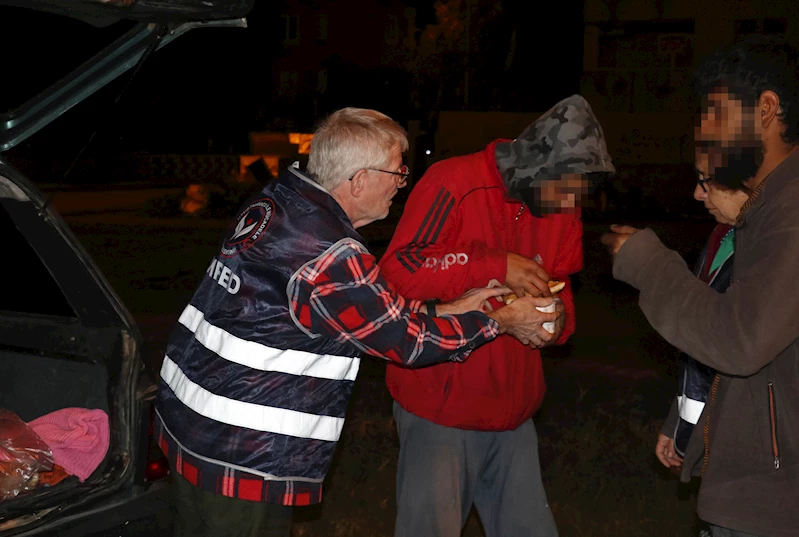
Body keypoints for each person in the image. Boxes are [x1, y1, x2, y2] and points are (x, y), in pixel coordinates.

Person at [153, 107, 555, 537]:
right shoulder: (334, 253)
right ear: (359, 180)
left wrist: (456, 310)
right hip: (244, 449)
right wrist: (503, 321)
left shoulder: (278, 202)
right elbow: (407, 343)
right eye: (397, 171)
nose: (402, 182)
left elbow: (357, 314)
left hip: (189, 418)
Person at [379, 94, 615, 537]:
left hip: (514, 416)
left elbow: (563, 293)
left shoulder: (562, 206)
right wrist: (496, 263)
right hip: (440, 411)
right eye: (566, 185)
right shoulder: (453, 182)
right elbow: (398, 271)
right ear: (534, 162)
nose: (571, 200)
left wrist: (558, 323)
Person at [602, 36, 799, 537]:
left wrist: (650, 266)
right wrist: (690, 418)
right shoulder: (766, 212)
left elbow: (739, 340)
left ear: (767, 110)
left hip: (773, 505)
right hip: (759, 493)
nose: (702, 127)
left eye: (714, 111)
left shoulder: (792, 213)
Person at [656, 157, 746, 472]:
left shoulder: (771, 251)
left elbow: (734, 341)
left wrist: (649, 269)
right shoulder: (721, 237)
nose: (698, 193)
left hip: (748, 456)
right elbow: (698, 345)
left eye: (707, 181)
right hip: (712, 441)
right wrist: (677, 422)